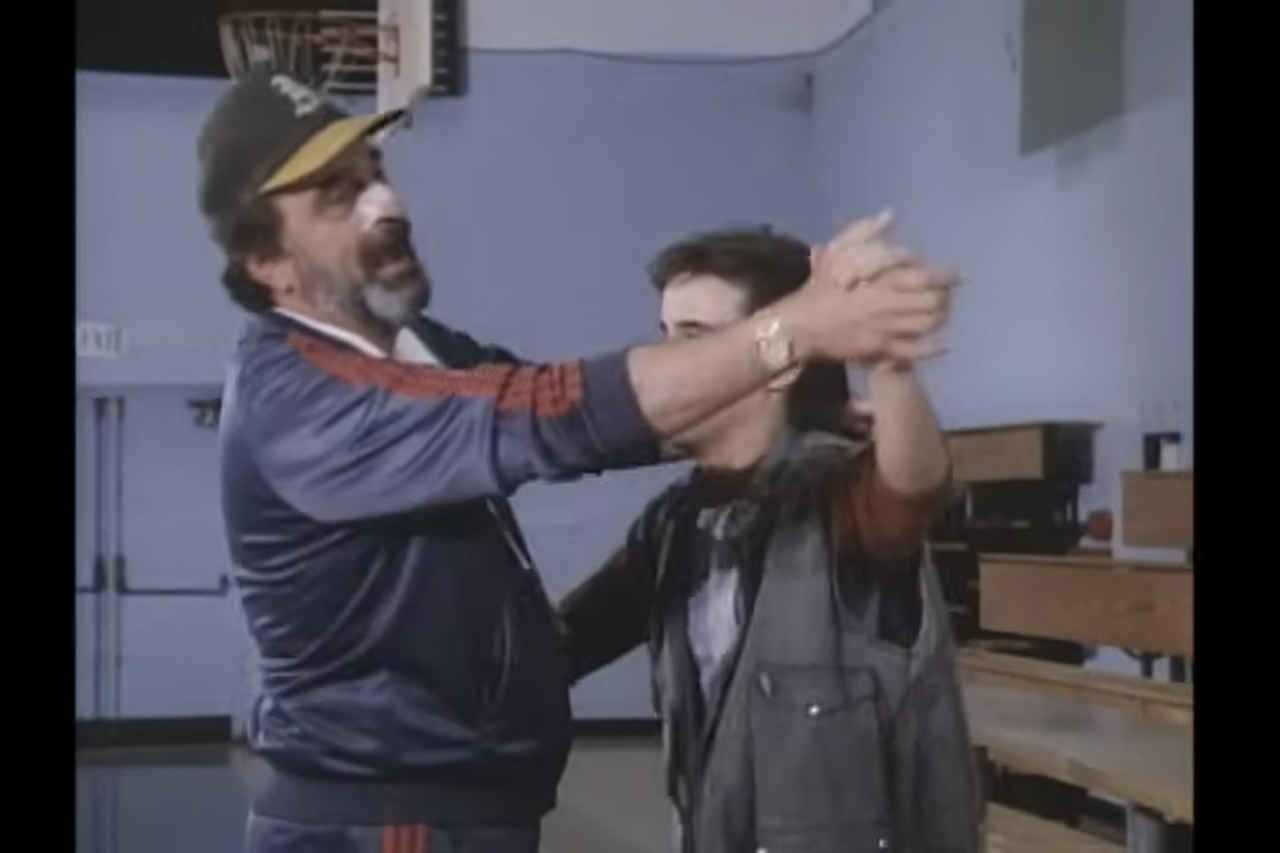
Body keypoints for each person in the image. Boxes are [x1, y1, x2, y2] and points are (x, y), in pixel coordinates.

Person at [199, 69, 956, 853]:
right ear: (268, 261)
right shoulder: (303, 398)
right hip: (390, 814)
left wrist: (841, 374)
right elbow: (552, 415)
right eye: (337, 196)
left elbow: (904, 489)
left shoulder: (425, 351)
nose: (385, 205)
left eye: (375, 173)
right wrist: (791, 333)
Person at [557, 227, 983, 853]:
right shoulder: (672, 523)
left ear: (778, 363)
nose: (667, 363)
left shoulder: (836, 493)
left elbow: (911, 490)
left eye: (695, 338)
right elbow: (562, 646)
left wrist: (888, 365)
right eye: (664, 335)